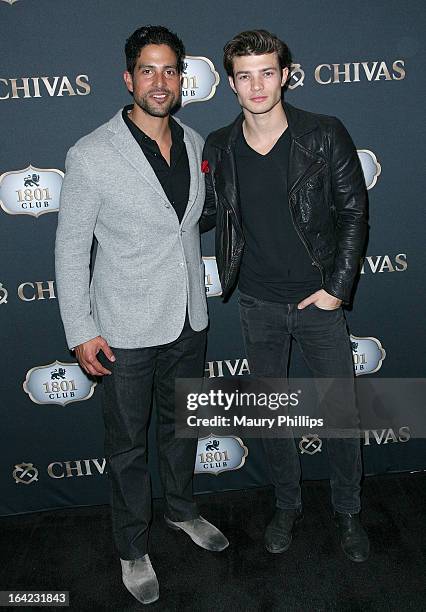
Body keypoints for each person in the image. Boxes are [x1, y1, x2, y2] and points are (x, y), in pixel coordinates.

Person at [55, 25, 228, 606]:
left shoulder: (198, 143)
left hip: (188, 320)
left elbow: (189, 225)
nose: (160, 81)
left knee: (182, 430)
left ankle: (181, 511)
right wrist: (80, 330)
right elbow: (71, 248)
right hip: (123, 328)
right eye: (148, 70)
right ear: (129, 79)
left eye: (170, 70)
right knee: (128, 446)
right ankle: (132, 547)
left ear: (182, 79)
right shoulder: (92, 152)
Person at [202, 29, 369, 562]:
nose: (257, 85)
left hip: (318, 305)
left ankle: (347, 512)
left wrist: (335, 290)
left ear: (286, 75)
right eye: (245, 75)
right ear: (231, 83)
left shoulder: (323, 134)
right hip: (257, 304)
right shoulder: (219, 146)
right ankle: (288, 505)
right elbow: (205, 214)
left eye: (267, 72)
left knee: (341, 416)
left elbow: (352, 215)